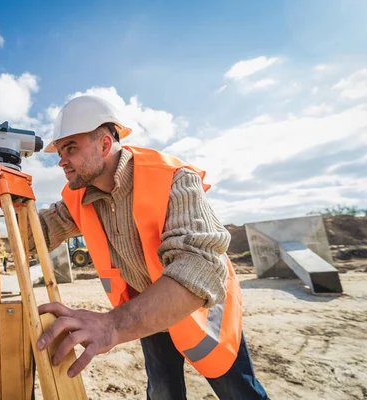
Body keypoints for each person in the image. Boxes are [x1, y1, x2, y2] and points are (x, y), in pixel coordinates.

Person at [30, 95, 269, 399]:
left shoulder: (172, 177)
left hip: (200, 309)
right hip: (146, 312)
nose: (61, 161)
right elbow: (37, 234)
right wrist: (6, 191)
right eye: (60, 152)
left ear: (105, 144)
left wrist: (111, 325)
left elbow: (199, 268)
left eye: (71, 149)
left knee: (239, 392)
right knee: (162, 391)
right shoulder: (79, 197)